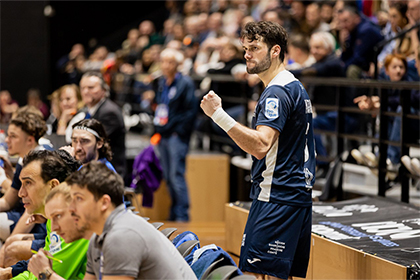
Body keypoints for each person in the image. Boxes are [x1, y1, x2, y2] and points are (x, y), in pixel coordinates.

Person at [201, 21, 315, 280]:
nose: (247, 54)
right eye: (245, 48)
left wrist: (218, 115)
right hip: (292, 195)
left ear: (275, 51)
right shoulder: (294, 86)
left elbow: (261, 145)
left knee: (256, 273)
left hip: (277, 195)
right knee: (272, 275)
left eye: (254, 47)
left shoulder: (276, 92)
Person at [66, 161, 197, 279]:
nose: (71, 208)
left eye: (79, 199)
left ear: (104, 202)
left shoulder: (121, 236)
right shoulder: (99, 237)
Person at [0, 150, 89, 280]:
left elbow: (44, 276)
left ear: (53, 185)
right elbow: (35, 274)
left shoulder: (72, 222)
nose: (21, 193)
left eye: (28, 183)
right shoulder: (53, 219)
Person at [152, 48, 198, 222]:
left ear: (177, 64)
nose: (166, 65)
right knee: (168, 176)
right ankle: (174, 212)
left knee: (176, 175)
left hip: (176, 136)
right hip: (163, 134)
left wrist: (178, 131)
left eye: (170, 62)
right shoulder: (162, 82)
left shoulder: (185, 83)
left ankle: (182, 216)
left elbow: (190, 111)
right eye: (163, 61)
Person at [0, 109, 47, 248]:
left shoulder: (40, 161)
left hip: (37, 225)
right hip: (21, 215)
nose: (7, 140)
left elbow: (31, 211)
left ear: (30, 140)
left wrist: (9, 246)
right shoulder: (24, 157)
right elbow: (9, 200)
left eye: (13, 136)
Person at [77, 71, 126, 178]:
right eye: (82, 88)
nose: (85, 92)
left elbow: (91, 142)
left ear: (104, 90)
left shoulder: (109, 112)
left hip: (109, 174)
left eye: (91, 88)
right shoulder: (87, 111)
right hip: (94, 170)